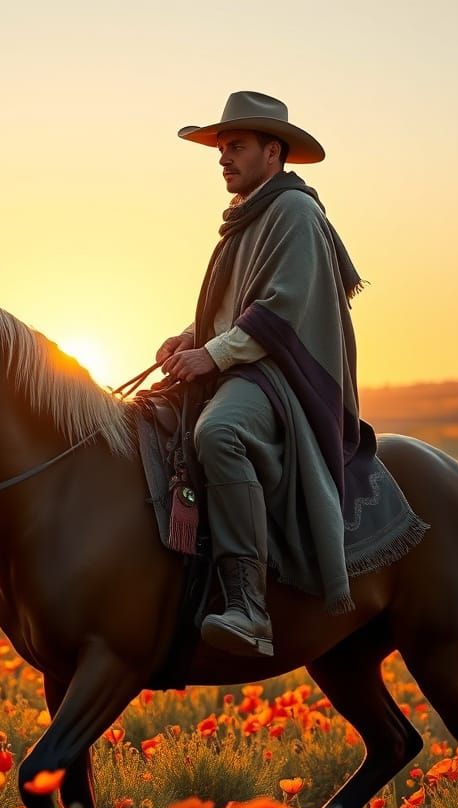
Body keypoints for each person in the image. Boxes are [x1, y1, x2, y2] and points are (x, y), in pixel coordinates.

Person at [156, 91, 367, 657]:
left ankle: (250, 609)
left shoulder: (295, 213)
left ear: (273, 151)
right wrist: (193, 336)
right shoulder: (249, 217)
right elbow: (236, 308)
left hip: (279, 378)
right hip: (245, 365)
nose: (224, 158)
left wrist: (212, 355)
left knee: (217, 433)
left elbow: (279, 310)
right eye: (221, 148)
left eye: (236, 146)